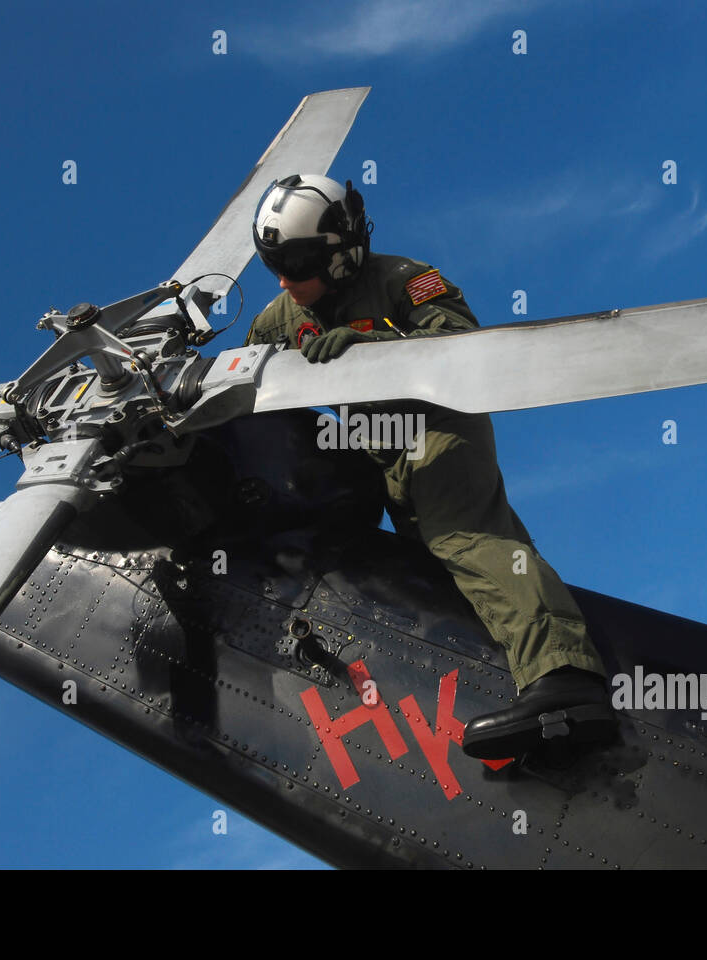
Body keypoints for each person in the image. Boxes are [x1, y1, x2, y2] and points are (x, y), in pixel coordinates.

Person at [244, 173, 616, 759]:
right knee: (413, 566)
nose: (286, 283)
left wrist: (373, 350)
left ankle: (565, 678)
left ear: (340, 257)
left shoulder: (406, 280)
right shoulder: (283, 315)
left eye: (296, 265)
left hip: (439, 427)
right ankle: (489, 683)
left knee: (464, 536)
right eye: (275, 268)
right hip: (374, 448)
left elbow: (463, 349)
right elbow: (248, 373)